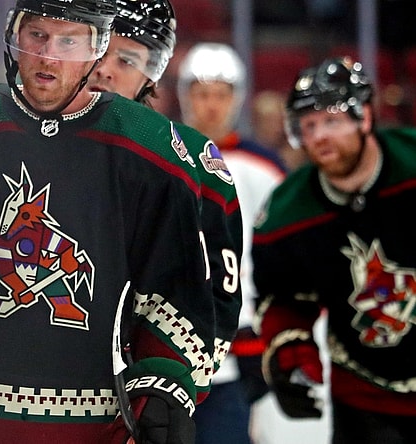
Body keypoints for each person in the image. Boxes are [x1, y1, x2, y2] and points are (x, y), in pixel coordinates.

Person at [0, 0, 224, 442]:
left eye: (69, 40)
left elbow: (175, 293)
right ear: (14, 36)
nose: (49, 55)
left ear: (98, 47)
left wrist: (163, 384)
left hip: (80, 429)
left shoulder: (151, 150)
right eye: (37, 35)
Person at [86, 4, 254, 441]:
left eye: (127, 59)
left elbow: (218, 295)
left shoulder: (193, 163)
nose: (105, 70)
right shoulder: (30, 143)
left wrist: (168, 384)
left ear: (151, 77)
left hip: (153, 384)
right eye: (98, 49)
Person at [253, 56, 416, 444]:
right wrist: (290, 349)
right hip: (363, 398)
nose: (319, 136)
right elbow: (284, 297)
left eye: (331, 121)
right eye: (308, 126)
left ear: (364, 118)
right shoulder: (287, 212)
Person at [176, 42, 289, 444]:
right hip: (173, 334)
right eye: (202, 93)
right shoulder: (160, 157)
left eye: (221, 95)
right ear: (185, 96)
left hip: (243, 342)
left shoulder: (265, 168)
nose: (211, 105)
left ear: (236, 99)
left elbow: (283, 256)